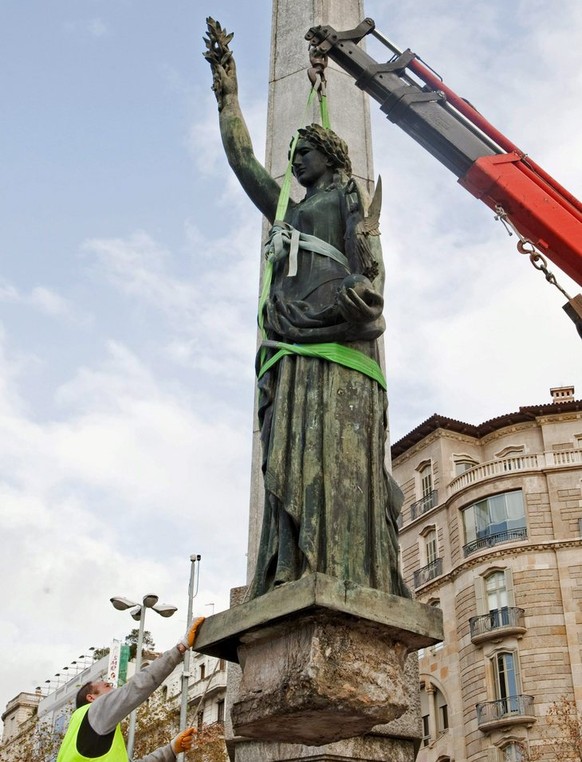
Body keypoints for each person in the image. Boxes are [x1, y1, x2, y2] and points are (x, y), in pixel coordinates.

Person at [204, 20, 409, 600]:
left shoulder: (342, 197)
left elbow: (369, 262)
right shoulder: (288, 211)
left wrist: (364, 292)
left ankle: (336, 560)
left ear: (328, 154)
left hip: (332, 339)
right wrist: (229, 98)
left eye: (303, 152)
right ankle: (292, 558)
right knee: (287, 461)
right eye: (293, 154)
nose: (294, 161)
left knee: (332, 458)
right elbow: (245, 162)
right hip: (290, 347)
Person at [56, 617, 205, 762]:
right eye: (107, 686)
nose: (115, 689)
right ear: (91, 698)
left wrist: (171, 749)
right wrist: (181, 647)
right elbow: (137, 686)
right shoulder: (95, 711)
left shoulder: (79, 736)